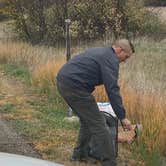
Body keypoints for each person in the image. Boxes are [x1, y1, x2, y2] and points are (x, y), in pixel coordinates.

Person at [56, 39, 135, 166]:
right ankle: (110, 162)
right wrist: (122, 117)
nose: (124, 60)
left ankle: (79, 155)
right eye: (126, 57)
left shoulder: (102, 52)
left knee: (88, 121)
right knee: (100, 125)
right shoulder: (110, 59)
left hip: (65, 82)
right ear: (120, 49)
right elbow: (112, 89)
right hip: (74, 86)